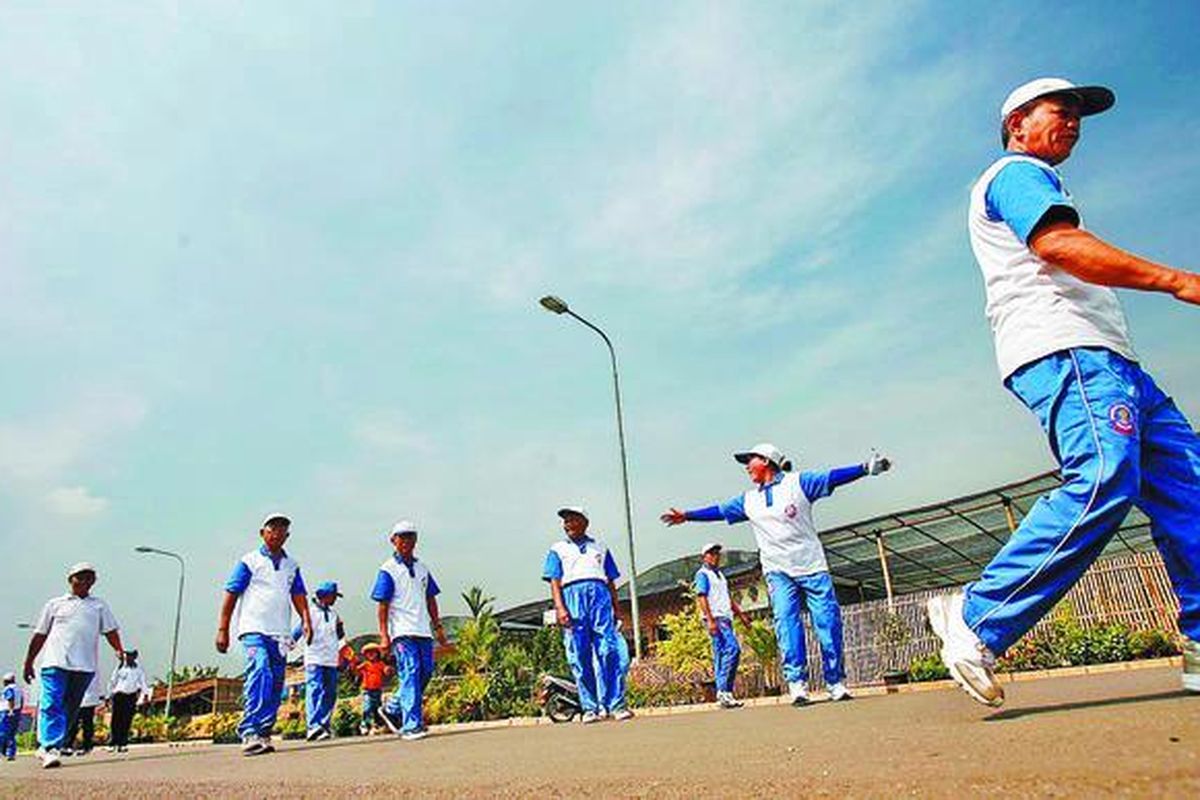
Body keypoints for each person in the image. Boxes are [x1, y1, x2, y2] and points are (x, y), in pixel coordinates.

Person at [927, 77, 1200, 706]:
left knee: (1187, 490)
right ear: (1017, 123)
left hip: (1115, 359)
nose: (1074, 122)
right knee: (1104, 471)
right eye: (1062, 111)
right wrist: (1176, 280)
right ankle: (978, 616)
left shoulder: (1041, 179)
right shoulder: (1015, 174)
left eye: (1080, 115)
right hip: (1064, 350)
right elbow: (1057, 244)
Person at [662, 443, 891, 705]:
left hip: (812, 566)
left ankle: (835, 682)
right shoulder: (749, 500)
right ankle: (797, 684)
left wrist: (864, 469)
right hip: (778, 572)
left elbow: (832, 477)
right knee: (786, 622)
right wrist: (688, 516)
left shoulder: (798, 484)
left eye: (751, 461)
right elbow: (719, 510)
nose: (747, 467)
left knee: (828, 622)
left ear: (767, 461)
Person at [216, 513, 313, 756]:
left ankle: (263, 731)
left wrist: (307, 620)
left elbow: (299, 595)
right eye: (273, 528)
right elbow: (231, 594)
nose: (277, 533)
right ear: (263, 532)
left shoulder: (292, 565)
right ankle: (249, 730)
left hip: (279, 633)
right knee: (260, 670)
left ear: (287, 536)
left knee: (275, 682)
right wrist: (223, 629)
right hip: (253, 629)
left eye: (282, 530)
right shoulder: (249, 561)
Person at [23, 562, 124, 768]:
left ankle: (52, 744)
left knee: (70, 708)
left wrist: (118, 649)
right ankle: (50, 747)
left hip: (84, 666)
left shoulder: (99, 606)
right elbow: (40, 634)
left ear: (93, 581)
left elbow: (110, 631)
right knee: (52, 702)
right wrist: (29, 661)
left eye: (89, 578)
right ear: (70, 580)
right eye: (80, 577)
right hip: (55, 663)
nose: (84, 581)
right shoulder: (55, 604)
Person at [542, 507, 632, 723]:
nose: (568, 525)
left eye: (572, 520)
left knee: (609, 650)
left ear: (584, 522)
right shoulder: (557, 549)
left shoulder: (600, 547)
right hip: (572, 598)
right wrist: (560, 608)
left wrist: (616, 608)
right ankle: (590, 707)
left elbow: (611, 580)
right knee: (579, 655)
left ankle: (615, 704)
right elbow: (554, 581)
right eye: (565, 521)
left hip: (600, 596)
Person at [371, 520, 449, 740]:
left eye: (410, 537)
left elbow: (431, 598)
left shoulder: (423, 568)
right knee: (411, 671)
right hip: (402, 632)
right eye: (401, 537)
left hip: (423, 630)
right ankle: (411, 725)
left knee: (426, 672)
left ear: (416, 540)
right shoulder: (387, 569)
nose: (406, 541)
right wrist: (384, 635)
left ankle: (393, 708)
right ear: (393, 540)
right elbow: (383, 605)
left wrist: (438, 627)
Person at [694, 543, 754, 709]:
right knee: (733, 649)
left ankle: (725, 693)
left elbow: (728, 598)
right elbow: (702, 598)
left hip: (726, 618)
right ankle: (722, 691)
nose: (715, 556)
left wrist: (741, 616)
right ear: (704, 556)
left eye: (717, 553)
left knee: (721, 655)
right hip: (716, 618)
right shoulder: (702, 574)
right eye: (711, 553)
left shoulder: (720, 575)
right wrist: (710, 620)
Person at [293, 581, 346, 741]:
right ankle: (313, 726)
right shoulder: (309, 612)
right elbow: (297, 632)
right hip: (314, 658)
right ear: (325, 595)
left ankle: (323, 725)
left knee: (330, 693)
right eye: (334, 596)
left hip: (331, 659)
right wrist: (286, 646)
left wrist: (345, 654)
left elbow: (340, 636)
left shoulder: (334, 615)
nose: (335, 599)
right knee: (315, 689)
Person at [107, 648, 151, 752]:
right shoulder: (120, 668)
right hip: (119, 695)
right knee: (116, 719)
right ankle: (113, 742)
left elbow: (143, 683)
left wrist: (145, 696)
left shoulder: (138, 670)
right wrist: (108, 696)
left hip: (130, 697)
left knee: (126, 720)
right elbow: (112, 682)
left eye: (130, 655)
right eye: (127, 655)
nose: (128, 658)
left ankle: (123, 743)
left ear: (134, 657)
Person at [354, 643, 393, 735]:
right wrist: (354, 666)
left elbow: (386, 671)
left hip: (377, 690)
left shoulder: (380, 664)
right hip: (367, 690)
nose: (371, 654)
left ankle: (377, 724)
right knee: (367, 707)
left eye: (373, 652)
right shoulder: (365, 665)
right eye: (368, 653)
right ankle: (364, 724)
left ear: (378, 654)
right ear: (365, 655)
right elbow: (356, 670)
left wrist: (388, 669)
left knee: (377, 708)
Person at [64, 671, 100, 756]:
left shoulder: (92, 670)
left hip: (89, 700)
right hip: (77, 700)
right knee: (73, 723)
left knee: (87, 724)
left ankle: (87, 746)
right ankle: (67, 745)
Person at [1, 673, 24, 762]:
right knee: (11, 734)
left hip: (7, 712)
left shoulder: (8, 689)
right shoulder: (18, 689)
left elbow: (10, 699)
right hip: (17, 712)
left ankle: (3, 751)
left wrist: (11, 710)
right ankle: (10, 753)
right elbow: (21, 701)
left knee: (3, 733)